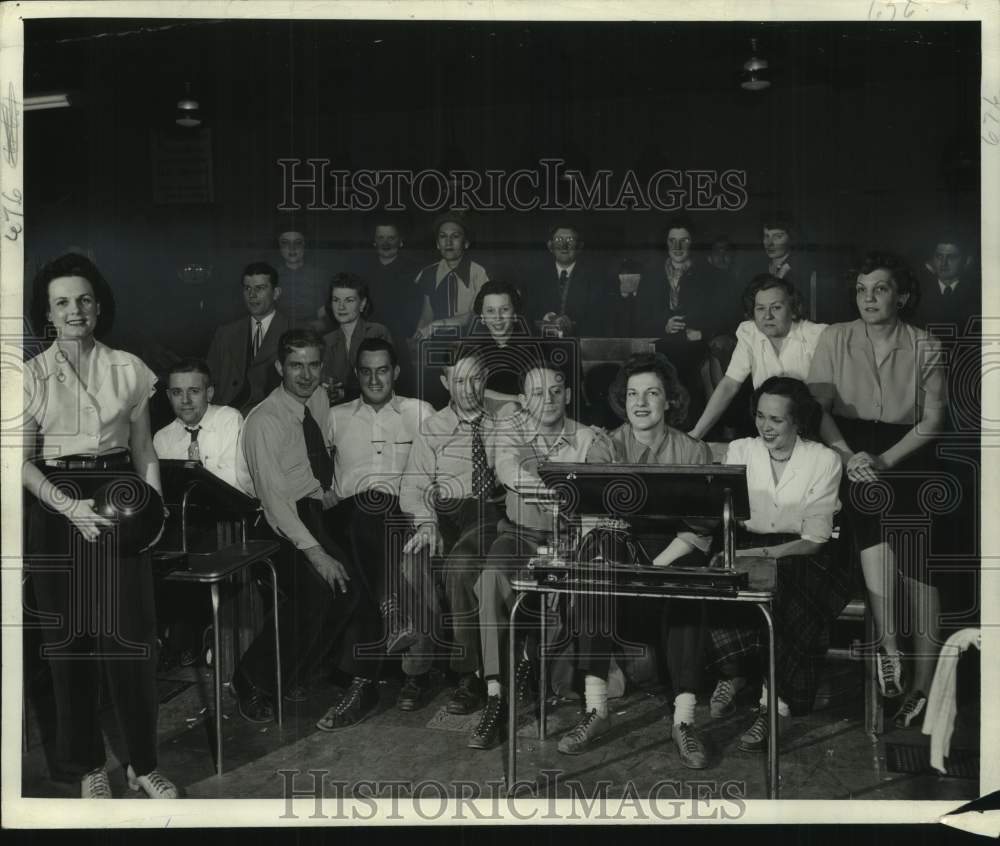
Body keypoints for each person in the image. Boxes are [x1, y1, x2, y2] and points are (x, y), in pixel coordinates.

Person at [22, 253, 178, 799]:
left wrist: (152, 513)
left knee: (131, 642)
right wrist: (69, 508)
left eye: (84, 299)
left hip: (121, 501)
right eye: (62, 302)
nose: (75, 310)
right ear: (47, 312)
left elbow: (143, 449)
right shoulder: (29, 375)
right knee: (72, 646)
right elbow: (18, 462)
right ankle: (88, 765)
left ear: (99, 304)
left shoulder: (129, 368)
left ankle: (142, 764)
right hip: (57, 506)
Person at [807, 252, 947, 727]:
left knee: (919, 561)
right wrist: (850, 459)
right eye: (862, 289)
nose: (868, 297)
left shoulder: (925, 344)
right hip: (847, 447)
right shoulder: (835, 337)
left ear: (902, 296)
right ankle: (889, 647)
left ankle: (926, 687)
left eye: (880, 289)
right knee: (870, 521)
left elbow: (932, 422)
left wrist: (884, 460)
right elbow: (818, 410)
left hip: (906, 453)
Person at [557, 353, 715, 769]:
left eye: (652, 393)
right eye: (632, 394)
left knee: (689, 582)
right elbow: (601, 515)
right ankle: (596, 708)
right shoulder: (606, 445)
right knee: (599, 558)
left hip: (674, 552)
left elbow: (699, 530)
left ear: (670, 401)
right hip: (619, 546)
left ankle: (684, 720)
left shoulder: (693, 451)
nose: (640, 403)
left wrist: (656, 568)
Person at [470, 354, 615, 750]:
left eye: (555, 390)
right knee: (490, 580)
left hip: (572, 542)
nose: (547, 399)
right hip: (520, 535)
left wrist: (573, 522)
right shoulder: (512, 433)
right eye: (537, 392)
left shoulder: (587, 437)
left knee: (588, 586)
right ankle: (497, 696)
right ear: (522, 399)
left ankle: (572, 688)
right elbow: (506, 469)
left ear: (567, 394)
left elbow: (602, 499)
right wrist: (557, 495)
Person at [706, 377, 851, 750]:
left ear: (798, 421)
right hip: (746, 543)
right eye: (760, 417)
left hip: (801, 555)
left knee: (781, 581)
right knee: (716, 578)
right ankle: (734, 672)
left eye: (776, 420)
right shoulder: (740, 450)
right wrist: (740, 551)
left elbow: (814, 541)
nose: (765, 427)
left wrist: (758, 555)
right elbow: (729, 519)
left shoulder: (824, 460)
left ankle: (774, 707)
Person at [230, 329, 365, 722]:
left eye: (312, 365)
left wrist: (327, 493)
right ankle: (251, 680)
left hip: (310, 508)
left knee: (349, 588)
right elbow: (274, 503)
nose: (305, 375)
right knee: (316, 591)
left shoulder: (318, 397)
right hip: (272, 523)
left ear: (322, 367)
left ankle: (297, 672)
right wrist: (317, 554)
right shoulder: (263, 422)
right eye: (295, 366)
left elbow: (318, 453)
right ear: (278, 368)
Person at [318, 337, 437, 719]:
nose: (374, 379)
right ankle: (394, 615)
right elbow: (318, 475)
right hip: (347, 515)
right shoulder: (334, 416)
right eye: (366, 371)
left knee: (378, 508)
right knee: (364, 509)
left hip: (399, 515)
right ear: (357, 374)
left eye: (382, 370)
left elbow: (433, 474)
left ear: (396, 372)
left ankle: (362, 680)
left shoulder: (419, 413)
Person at [397, 346, 507, 718]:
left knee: (460, 567)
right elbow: (412, 487)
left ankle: (468, 674)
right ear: (445, 382)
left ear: (486, 380)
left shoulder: (504, 419)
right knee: (413, 562)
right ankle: (419, 670)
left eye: (476, 377)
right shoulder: (433, 428)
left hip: (486, 509)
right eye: (459, 379)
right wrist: (427, 522)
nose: (469, 387)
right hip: (441, 511)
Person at [689, 275, 827, 440]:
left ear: (793, 309)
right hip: (769, 432)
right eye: (760, 308)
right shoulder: (750, 333)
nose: (767, 316)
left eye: (776, 307)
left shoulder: (815, 336)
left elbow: (822, 404)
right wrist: (696, 434)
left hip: (812, 430)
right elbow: (729, 384)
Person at [206, 262, 291, 417]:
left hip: (274, 419)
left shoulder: (293, 331)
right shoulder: (225, 334)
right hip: (226, 420)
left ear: (276, 293)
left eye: (260, 288)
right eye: (247, 288)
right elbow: (208, 381)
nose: (252, 295)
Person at [353, 219, 423, 394]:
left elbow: (419, 308)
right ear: (374, 241)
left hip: (400, 340)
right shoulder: (362, 269)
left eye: (391, 238)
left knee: (403, 390)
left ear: (400, 241)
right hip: (367, 338)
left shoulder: (414, 270)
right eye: (381, 237)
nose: (385, 243)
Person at [153, 358, 245, 491]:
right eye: (177, 392)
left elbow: (231, 481)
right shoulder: (162, 438)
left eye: (194, 391)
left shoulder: (229, 420)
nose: (185, 400)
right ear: (168, 396)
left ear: (209, 394)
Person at [521, 224, 608, 337]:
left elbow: (602, 318)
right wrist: (546, 317)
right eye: (558, 240)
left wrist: (573, 323)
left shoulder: (597, 279)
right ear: (550, 246)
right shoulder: (534, 278)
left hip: (582, 344)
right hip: (544, 345)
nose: (564, 245)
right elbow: (527, 313)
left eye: (570, 240)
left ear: (580, 246)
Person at [413, 212, 490, 339]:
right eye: (443, 236)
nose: (448, 242)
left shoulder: (479, 272)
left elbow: (473, 316)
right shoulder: (427, 273)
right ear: (438, 244)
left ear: (465, 243)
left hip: (471, 342)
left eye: (455, 236)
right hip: (438, 344)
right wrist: (418, 337)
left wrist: (436, 325)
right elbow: (426, 315)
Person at [321, 272, 392, 404]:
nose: (341, 307)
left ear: (362, 304)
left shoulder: (377, 332)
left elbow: (383, 383)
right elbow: (328, 382)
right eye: (336, 300)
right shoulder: (327, 340)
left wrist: (346, 393)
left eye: (349, 300)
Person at [467, 279, 534, 408]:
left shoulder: (533, 349)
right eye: (490, 311)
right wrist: (516, 399)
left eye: (504, 309)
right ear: (482, 317)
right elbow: (466, 393)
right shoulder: (473, 352)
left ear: (515, 314)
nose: (498, 317)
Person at [275, 225, 330, 331]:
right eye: (285, 243)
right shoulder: (272, 276)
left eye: (298, 242)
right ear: (279, 247)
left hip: (311, 332)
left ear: (304, 245)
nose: (292, 248)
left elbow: (324, 315)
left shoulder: (319, 275)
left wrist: (321, 324)